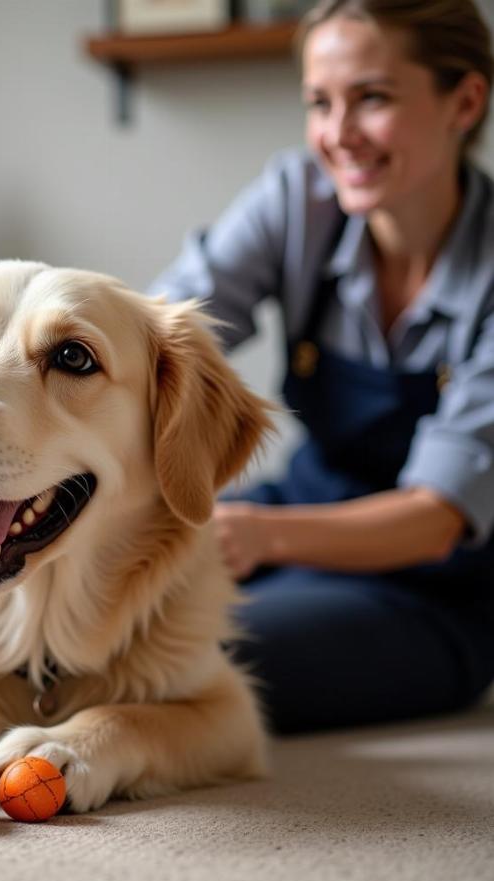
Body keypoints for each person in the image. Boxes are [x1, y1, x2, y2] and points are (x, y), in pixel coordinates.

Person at [150, 0, 494, 734]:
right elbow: (160, 343)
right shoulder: (296, 198)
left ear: (465, 100)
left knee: (189, 651)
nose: (338, 136)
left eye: (372, 98)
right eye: (318, 102)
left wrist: (259, 536)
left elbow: (437, 519)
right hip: (289, 510)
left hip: (433, 590)